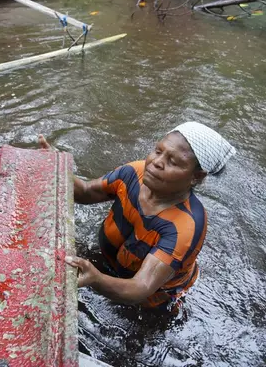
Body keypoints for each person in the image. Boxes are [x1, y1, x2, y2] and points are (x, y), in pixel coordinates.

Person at [39, 122, 236, 311]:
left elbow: (140, 288)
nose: (157, 163)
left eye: (173, 162)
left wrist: (96, 279)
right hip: (110, 264)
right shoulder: (134, 173)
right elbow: (86, 191)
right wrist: (57, 169)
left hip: (151, 302)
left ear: (196, 177)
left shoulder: (184, 226)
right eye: (158, 151)